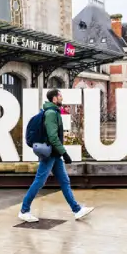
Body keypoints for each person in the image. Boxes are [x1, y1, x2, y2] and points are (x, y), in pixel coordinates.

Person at [18, 89, 94, 223]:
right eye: (60, 96)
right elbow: (53, 137)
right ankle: (24, 211)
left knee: (65, 181)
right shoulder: (51, 113)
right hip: (50, 154)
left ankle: (77, 210)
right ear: (54, 99)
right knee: (40, 181)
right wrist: (64, 153)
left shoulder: (53, 112)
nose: (62, 98)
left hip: (54, 154)